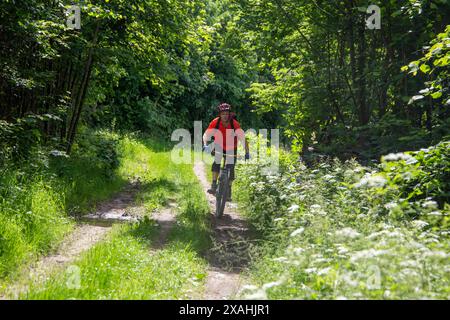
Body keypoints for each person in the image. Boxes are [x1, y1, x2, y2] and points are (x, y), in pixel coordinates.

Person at [202, 103, 250, 201]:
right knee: (216, 162)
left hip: (232, 147)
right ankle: (214, 185)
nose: (225, 116)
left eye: (227, 113)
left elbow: (243, 139)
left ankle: (228, 190)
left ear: (229, 114)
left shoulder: (234, 124)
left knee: (231, 168)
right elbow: (206, 134)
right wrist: (205, 144)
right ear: (220, 114)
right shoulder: (215, 122)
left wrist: (247, 152)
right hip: (219, 145)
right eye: (223, 114)